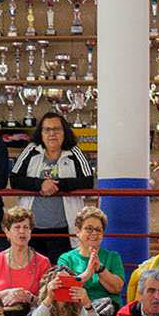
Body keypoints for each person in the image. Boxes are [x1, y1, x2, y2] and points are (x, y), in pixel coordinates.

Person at [10, 109, 94, 260]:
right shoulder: (31, 150)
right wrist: (40, 184)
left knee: (60, 274)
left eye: (56, 129)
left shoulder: (74, 151)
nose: (52, 133)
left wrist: (58, 185)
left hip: (63, 230)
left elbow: (88, 181)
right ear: (41, 133)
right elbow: (15, 179)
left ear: (64, 132)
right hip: (32, 229)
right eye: (47, 129)